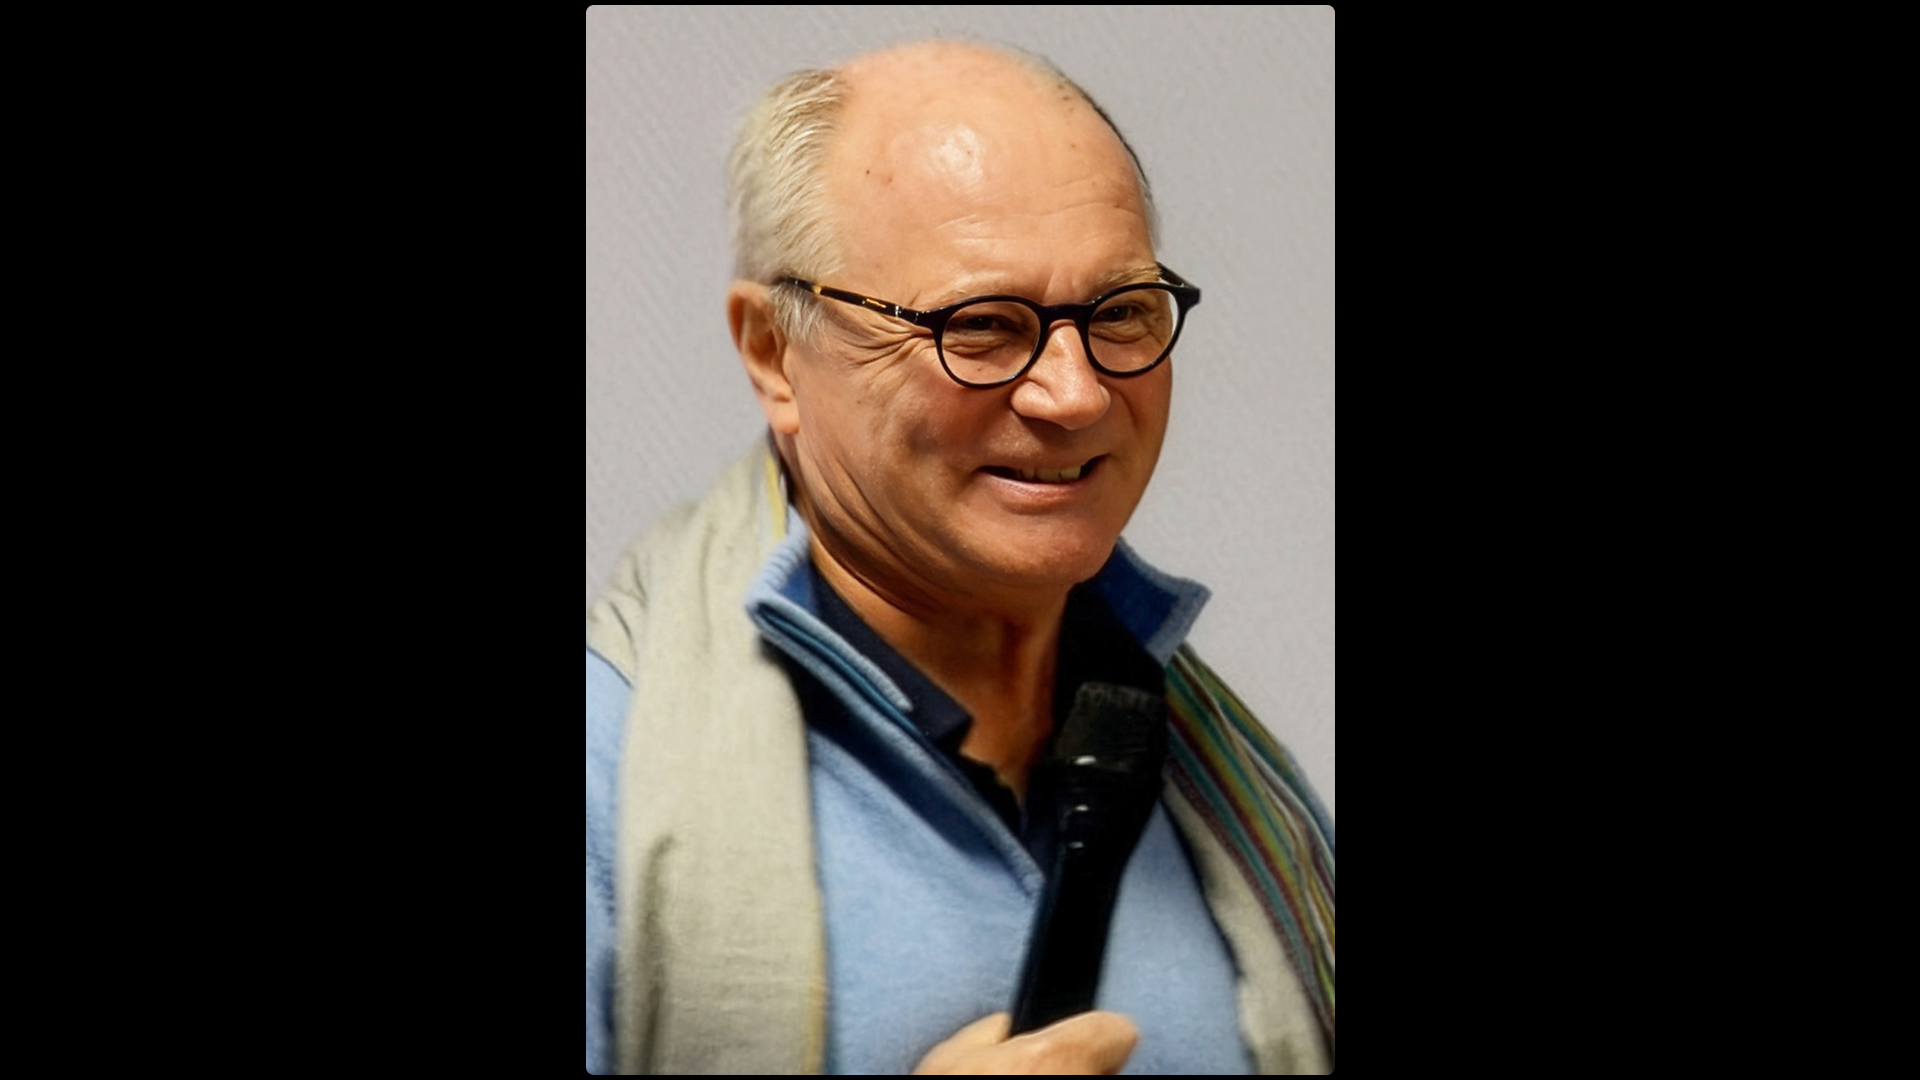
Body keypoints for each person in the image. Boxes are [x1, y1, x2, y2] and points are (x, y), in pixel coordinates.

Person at [586, 40, 1333, 1075]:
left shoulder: (1215, 769)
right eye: (980, 326)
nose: (1075, 394)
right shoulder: (609, 773)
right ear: (774, 354)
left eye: (1120, 313)